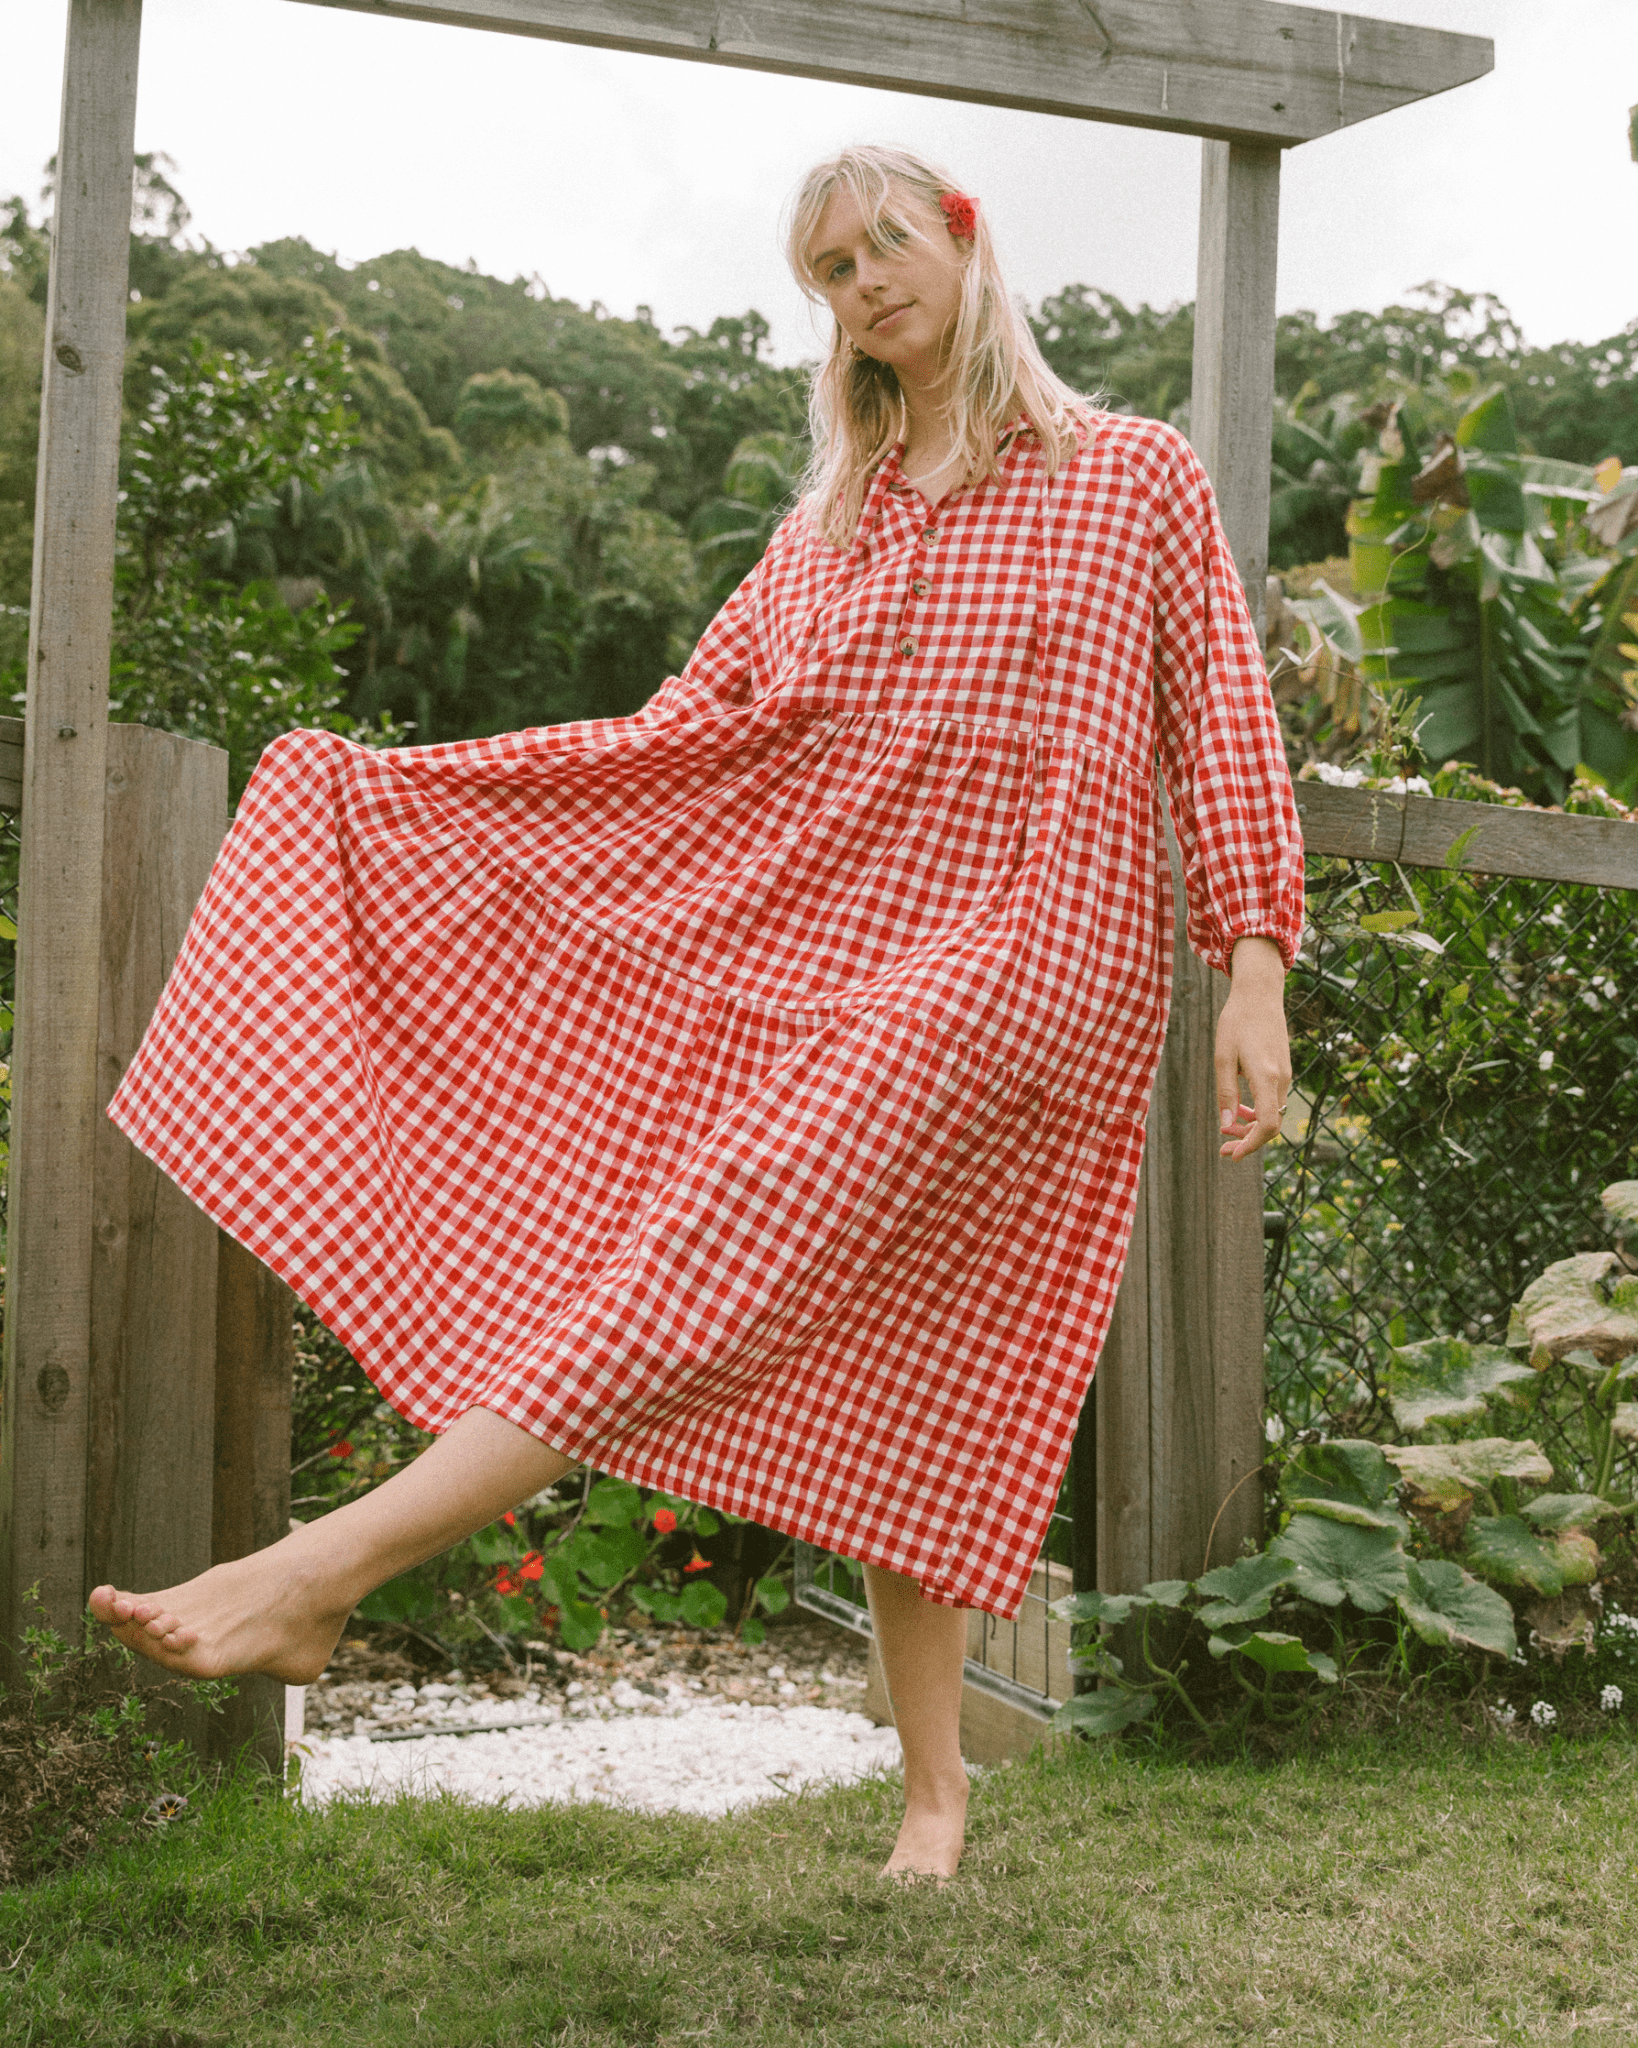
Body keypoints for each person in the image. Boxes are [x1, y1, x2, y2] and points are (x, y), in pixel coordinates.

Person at [91, 145, 1300, 1880]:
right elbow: (678, 738)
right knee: (920, 1365)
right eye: (827, 267)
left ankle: (317, 1572)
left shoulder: (1128, 476)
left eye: (885, 242)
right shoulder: (821, 531)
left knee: (712, 1243)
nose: (862, 281)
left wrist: (1249, 969)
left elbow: (1223, 723)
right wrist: (413, 795)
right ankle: (936, 1795)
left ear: (960, 240)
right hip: (820, 947)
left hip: (1024, 964)